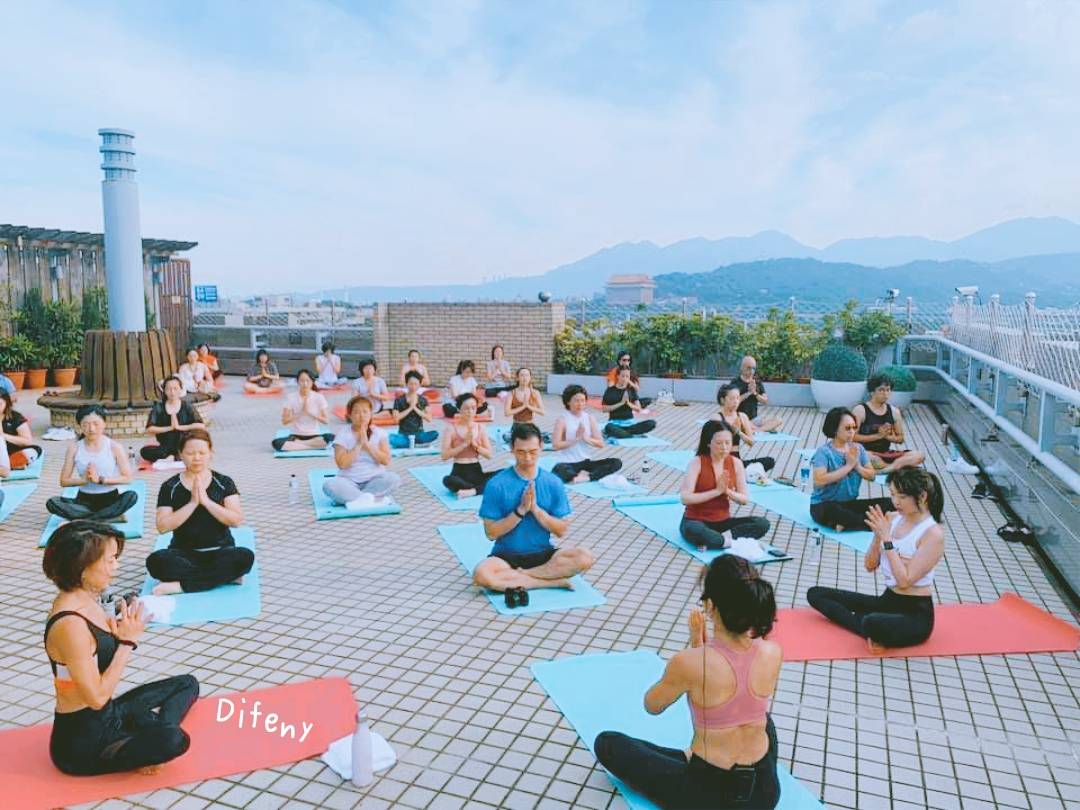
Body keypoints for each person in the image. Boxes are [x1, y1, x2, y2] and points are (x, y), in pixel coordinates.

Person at [594, 555, 782, 809]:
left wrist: (695, 651)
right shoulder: (772, 651)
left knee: (608, 742)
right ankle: (687, 756)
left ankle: (686, 757)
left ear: (711, 606)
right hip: (765, 792)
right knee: (762, 718)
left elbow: (652, 705)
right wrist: (699, 649)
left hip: (711, 796)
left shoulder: (689, 662)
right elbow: (731, 688)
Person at [42, 520, 199, 775]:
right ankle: (153, 733)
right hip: (83, 741)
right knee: (175, 740)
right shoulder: (69, 625)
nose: (117, 566)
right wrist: (126, 643)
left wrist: (119, 628)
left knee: (187, 684)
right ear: (82, 567)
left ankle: (151, 729)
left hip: (109, 712)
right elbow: (96, 699)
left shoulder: (88, 599)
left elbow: (98, 654)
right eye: (110, 560)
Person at [807, 468, 944, 653]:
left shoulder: (932, 534)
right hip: (888, 600)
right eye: (893, 495)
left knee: (873, 622)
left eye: (902, 497)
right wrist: (877, 538)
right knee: (815, 594)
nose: (896, 502)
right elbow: (870, 566)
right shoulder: (893, 518)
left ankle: (869, 626)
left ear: (922, 496)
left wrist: (887, 540)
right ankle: (868, 630)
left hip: (915, 613)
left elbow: (905, 581)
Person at [474, 422, 594, 603]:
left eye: (532, 451)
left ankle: (523, 577)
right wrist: (520, 511)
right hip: (506, 556)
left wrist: (536, 510)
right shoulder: (497, 484)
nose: (528, 458)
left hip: (544, 554)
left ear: (541, 447)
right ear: (512, 449)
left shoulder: (553, 482)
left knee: (585, 557)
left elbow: (561, 530)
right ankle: (551, 582)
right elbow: (491, 533)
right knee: (482, 575)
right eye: (521, 452)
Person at [148, 429, 253, 594]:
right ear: (180, 454)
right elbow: (162, 526)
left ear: (210, 453)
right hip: (183, 554)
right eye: (190, 453)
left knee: (244, 557)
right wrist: (192, 503)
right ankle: (223, 577)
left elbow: (236, 520)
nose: (196, 458)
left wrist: (207, 502)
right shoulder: (170, 486)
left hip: (221, 551)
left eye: (202, 453)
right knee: (156, 562)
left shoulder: (224, 482)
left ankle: (181, 586)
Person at [680, 421, 771, 550]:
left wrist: (727, 491)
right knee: (695, 530)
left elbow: (744, 499)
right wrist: (716, 492)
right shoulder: (697, 463)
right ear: (708, 443)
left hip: (723, 522)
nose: (724, 447)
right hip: (696, 520)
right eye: (719, 443)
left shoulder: (736, 463)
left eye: (728, 443)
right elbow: (685, 498)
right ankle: (726, 541)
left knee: (762, 524)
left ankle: (719, 540)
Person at [47, 405, 138, 522]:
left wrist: (100, 480)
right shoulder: (74, 448)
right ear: (79, 426)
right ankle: (105, 518)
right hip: (84, 501)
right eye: (86, 424)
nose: (91, 429)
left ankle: (85, 519)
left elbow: (128, 478)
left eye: (96, 424)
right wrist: (85, 480)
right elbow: (64, 481)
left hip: (110, 499)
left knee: (131, 496)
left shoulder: (114, 447)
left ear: (104, 424)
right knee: (52, 503)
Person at [810, 407, 894, 532]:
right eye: (847, 428)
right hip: (824, 504)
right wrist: (848, 466)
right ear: (834, 429)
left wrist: (856, 466)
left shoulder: (858, 449)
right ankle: (869, 523)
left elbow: (871, 475)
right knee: (835, 512)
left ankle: (846, 524)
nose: (852, 432)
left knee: (889, 503)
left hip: (849, 504)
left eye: (854, 428)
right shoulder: (824, 452)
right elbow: (819, 481)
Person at [323, 395, 402, 508]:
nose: (361, 416)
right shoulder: (343, 434)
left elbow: (385, 460)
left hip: (374, 480)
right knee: (329, 486)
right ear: (350, 415)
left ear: (371, 414)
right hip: (349, 481)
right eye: (356, 412)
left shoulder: (379, 433)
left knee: (393, 479)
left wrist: (368, 445)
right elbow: (342, 464)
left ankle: (356, 499)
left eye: (365, 412)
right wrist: (359, 444)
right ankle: (368, 499)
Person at [852, 374, 926, 473]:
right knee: (866, 457)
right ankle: (898, 467)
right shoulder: (860, 410)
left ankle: (887, 469)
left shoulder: (894, 411)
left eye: (888, 390)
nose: (885, 393)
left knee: (919, 455)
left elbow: (900, 439)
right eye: (881, 390)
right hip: (865, 452)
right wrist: (878, 436)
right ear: (872, 392)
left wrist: (887, 436)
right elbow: (851, 437)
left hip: (885, 453)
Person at [549, 384, 622, 484]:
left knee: (616, 462)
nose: (580, 404)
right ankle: (578, 477)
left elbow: (601, 444)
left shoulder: (589, 418)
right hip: (567, 463)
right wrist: (576, 439)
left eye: (582, 401)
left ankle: (587, 477)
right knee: (559, 470)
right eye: (576, 400)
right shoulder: (562, 420)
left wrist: (586, 439)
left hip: (585, 463)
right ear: (568, 402)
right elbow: (556, 445)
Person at [440, 393, 497, 497]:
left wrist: (476, 446)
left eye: (473, 408)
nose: (470, 412)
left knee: (505, 473)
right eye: (466, 408)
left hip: (476, 471)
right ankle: (479, 488)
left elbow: (489, 455)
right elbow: (444, 456)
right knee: (447, 480)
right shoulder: (451, 429)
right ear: (459, 409)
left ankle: (472, 491)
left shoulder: (481, 428)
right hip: (459, 472)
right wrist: (464, 444)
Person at [142, 376, 206, 463]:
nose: (172, 392)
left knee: (194, 449)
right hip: (165, 446)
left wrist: (179, 427)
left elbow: (200, 426)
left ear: (180, 390)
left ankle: (178, 455)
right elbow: (149, 429)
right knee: (145, 451)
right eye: (169, 389)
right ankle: (174, 456)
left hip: (185, 444)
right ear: (164, 391)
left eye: (175, 389)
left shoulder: (187, 406)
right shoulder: (159, 407)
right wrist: (170, 428)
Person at [715, 384, 775, 474]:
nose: (735, 402)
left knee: (769, 461)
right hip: (720, 460)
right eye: (731, 399)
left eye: (737, 398)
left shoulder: (742, 417)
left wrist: (738, 432)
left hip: (736, 460)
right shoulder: (717, 418)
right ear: (722, 400)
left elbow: (751, 442)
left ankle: (740, 471)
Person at [273, 369, 334, 452]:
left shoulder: (319, 397)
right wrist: (300, 413)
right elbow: (284, 421)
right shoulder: (291, 397)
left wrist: (310, 413)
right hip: (296, 436)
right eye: (302, 381)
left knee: (332, 438)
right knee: (276, 443)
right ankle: (313, 446)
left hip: (314, 435)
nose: (305, 384)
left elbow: (326, 421)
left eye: (307, 381)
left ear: (312, 382)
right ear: (297, 382)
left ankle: (299, 445)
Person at [733, 356, 784, 434]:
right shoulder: (735, 383)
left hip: (755, 420)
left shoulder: (757, 382)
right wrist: (748, 393)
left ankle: (757, 430)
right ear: (742, 368)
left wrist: (755, 393)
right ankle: (764, 429)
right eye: (749, 368)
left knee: (778, 419)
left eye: (753, 368)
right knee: (737, 423)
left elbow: (765, 400)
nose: (751, 371)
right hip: (740, 419)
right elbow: (733, 402)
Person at [601, 367, 657, 438]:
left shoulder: (631, 390)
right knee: (609, 427)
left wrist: (628, 404)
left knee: (651, 423)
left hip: (630, 424)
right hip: (615, 424)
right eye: (623, 376)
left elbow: (638, 409)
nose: (625, 378)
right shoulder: (610, 390)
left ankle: (626, 434)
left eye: (627, 376)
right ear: (618, 376)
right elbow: (604, 409)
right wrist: (620, 403)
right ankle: (628, 434)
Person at [389, 370, 438, 448]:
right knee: (390, 438)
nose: (413, 386)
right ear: (406, 384)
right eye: (411, 384)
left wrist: (415, 408)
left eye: (416, 384)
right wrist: (410, 407)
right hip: (404, 434)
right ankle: (414, 443)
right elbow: (396, 419)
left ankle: (411, 443)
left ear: (419, 385)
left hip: (419, 434)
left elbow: (429, 418)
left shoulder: (423, 400)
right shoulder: (399, 400)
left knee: (435, 434)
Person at [1, 389, 43, 469]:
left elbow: (27, 441)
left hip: (12, 450)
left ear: (7, 403)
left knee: (35, 450)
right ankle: (10, 466)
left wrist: (4, 436)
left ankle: (10, 464)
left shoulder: (15, 417)